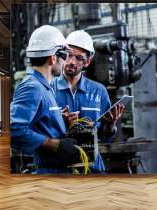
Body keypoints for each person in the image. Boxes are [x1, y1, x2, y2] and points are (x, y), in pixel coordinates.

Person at [10, 25, 79, 174]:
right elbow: (14, 129)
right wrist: (54, 144)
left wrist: (58, 121)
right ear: (53, 58)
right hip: (46, 172)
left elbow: (38, 122)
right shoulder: (32, 87)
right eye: (64, 57)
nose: (66, 62)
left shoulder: (44, 87)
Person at [52, 30, 124, 141]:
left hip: (91, 157)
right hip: (59, 156)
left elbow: (106, 137)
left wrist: (110, 124)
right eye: (69, 55)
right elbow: (39, 131)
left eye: (79, 58)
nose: (72, 61)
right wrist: (60, 122)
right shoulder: (49, 89)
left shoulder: (99, 91)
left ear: (87, 62)